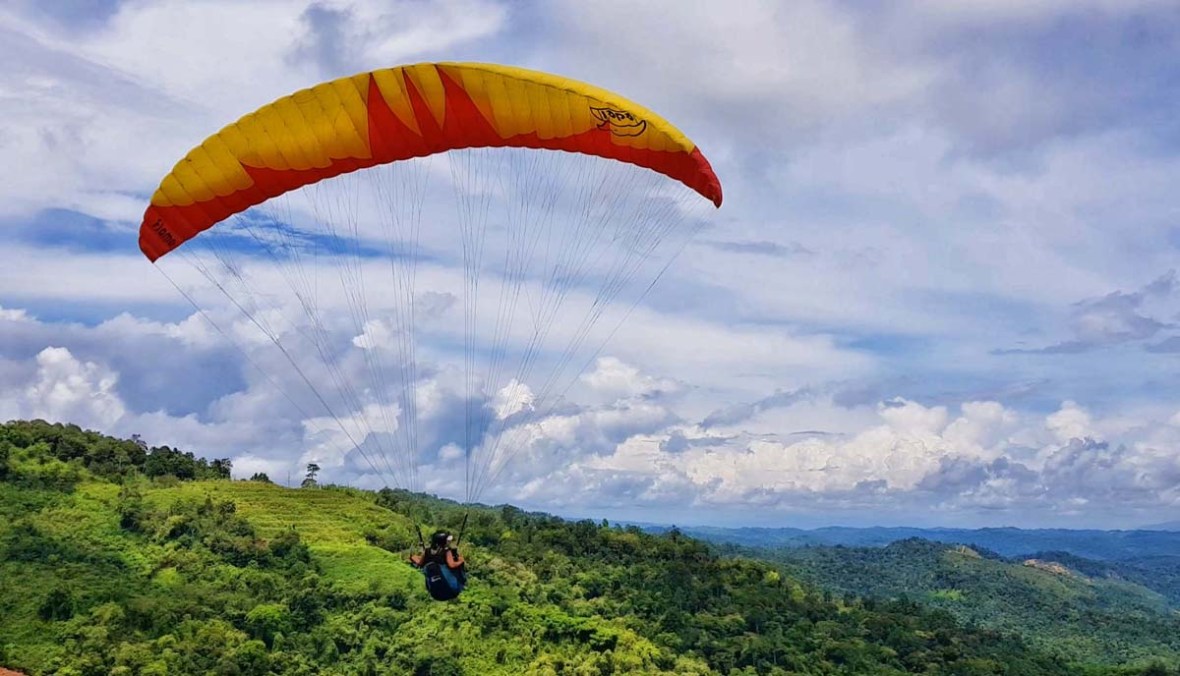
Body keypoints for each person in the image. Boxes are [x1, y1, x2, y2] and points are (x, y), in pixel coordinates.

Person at [410, 530, 466, 600]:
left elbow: (420, 563)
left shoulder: (427, 551)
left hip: (435, 593)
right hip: (451, 590)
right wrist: (461, 561)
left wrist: (413, 558)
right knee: (458, 566)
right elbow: (452, 565)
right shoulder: (446, 551)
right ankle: (461, 582)